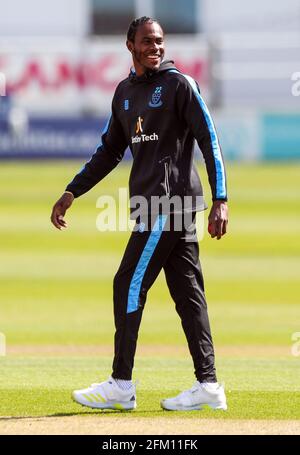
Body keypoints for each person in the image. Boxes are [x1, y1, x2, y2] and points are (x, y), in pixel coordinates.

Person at [51, 16, 228, 412]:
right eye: (148, 41)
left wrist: (221, 197)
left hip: (169, 203)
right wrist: (72, 190)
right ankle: (209, 385)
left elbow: (208, 138)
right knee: (188, 295)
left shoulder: (180, 85)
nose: (156, 47)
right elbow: (110, 151)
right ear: (129, 45)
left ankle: (121, 384)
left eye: (160, 41)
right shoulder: (124, 93)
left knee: (127, 283)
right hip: (156, 205)